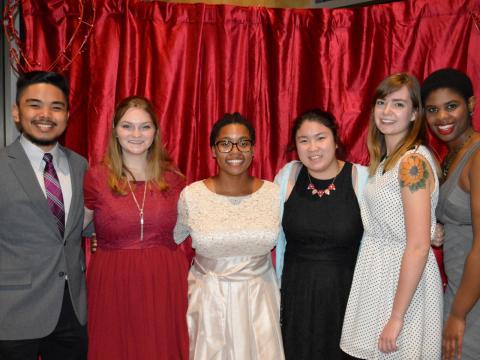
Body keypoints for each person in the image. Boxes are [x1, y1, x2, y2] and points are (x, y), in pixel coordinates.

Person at [340, 73, 443, 359]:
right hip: (378, 273)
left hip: (401, 283)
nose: (386, 111)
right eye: (382, 102)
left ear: (414, 114)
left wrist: (397, 316)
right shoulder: (388, 161)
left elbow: (419, 245)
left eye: (398, 104)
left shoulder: (412, 161)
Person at [83, 96, 189, 359]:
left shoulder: (174, 179)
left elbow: (194, 228)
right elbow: (77, 227)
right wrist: (97, 234)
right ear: (115, 131)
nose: (136, 134)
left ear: (155, 132)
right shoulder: (96, 177)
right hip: (112, 280)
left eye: (145, 127)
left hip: (164, 280)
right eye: (127, 126)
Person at [174, 112, 285, 359]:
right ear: (213, 150)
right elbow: (168, 238)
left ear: (253, 149)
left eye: (243, 143)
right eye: (225, 143)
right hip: (208, 302)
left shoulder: (273, 193)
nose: (235, 150)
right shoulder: (191, 196)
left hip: (261, 301)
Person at [0, 71, 88, 359]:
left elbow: (82, 226)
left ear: (66, 115)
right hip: (12, 313)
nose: (46, 114)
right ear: (16, 112)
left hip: (72, 313)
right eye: (34, 104)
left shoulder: (81, 166)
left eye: (56, 107)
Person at [274, 109, 368, 359]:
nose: (312, 147)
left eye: (320, 138)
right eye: (303, 140)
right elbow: (262, 229)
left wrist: (431, 230)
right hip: (296, 299)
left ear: (336, 140)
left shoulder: (361, 178)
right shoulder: (287, 177)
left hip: (345, 299)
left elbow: (390, 228)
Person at [422, 68, 480, 360]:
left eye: (451, 106)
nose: (442, 117)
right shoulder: (452, 155)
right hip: (459, 292)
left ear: (470, 105)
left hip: (471, 304)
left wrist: (458, 315)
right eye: (433, 109)